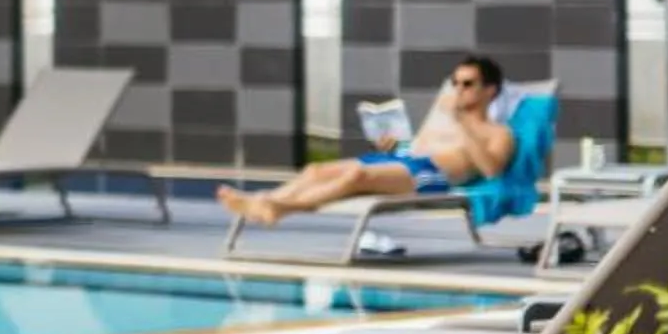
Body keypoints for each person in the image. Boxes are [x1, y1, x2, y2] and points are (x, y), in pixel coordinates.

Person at [218, 56, 519, 229]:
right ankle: (265, 206)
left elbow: (492, 169)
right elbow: (413, 150)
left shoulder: (498, 132)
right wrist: (393, 146)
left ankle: (280, 206)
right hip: (405, 163)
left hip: (433, 176)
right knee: (314, 170)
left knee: (357, 176)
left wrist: (464, 122)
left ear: (490, 90)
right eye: (455, 83)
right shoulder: (442, 120)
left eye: (468, 84)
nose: (459, 89)